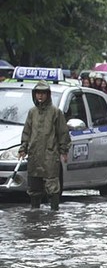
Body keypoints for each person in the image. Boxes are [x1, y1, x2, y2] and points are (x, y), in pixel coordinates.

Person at [19, 81, 70, 210]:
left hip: (50, 155)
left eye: (43, 93)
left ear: (48, 94)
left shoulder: (56, 112)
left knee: (52, 186)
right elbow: (27, 131)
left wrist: (64, 151)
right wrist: (23, 148)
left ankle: (54, 212)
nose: (40, 96)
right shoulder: (32, 112)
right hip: (34, 155)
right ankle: (35, 212)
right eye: (38, 93)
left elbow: (62, 133)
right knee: (34, 187)